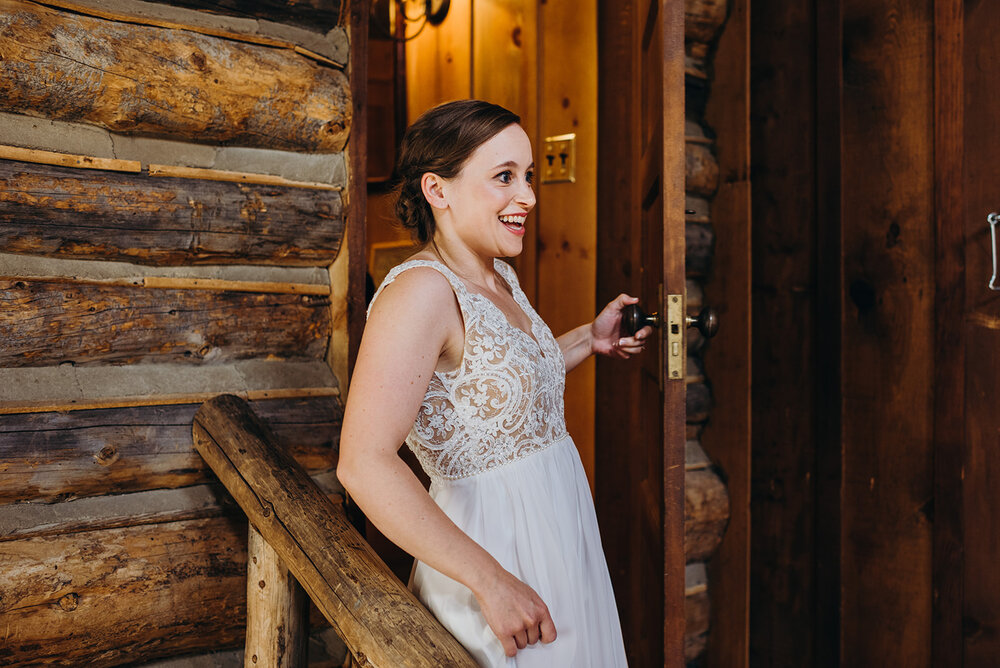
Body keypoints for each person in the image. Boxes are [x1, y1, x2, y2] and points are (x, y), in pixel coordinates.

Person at [337, 99, 650, 667]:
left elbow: (496, 389)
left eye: (527, 176)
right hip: (492, 551)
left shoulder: (497, 274)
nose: (528, 195)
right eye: (504, 177)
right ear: (438, 190)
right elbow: (363, 463)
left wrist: (589, 338)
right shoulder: (420, 294)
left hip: (560, 532)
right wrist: (492, 581)